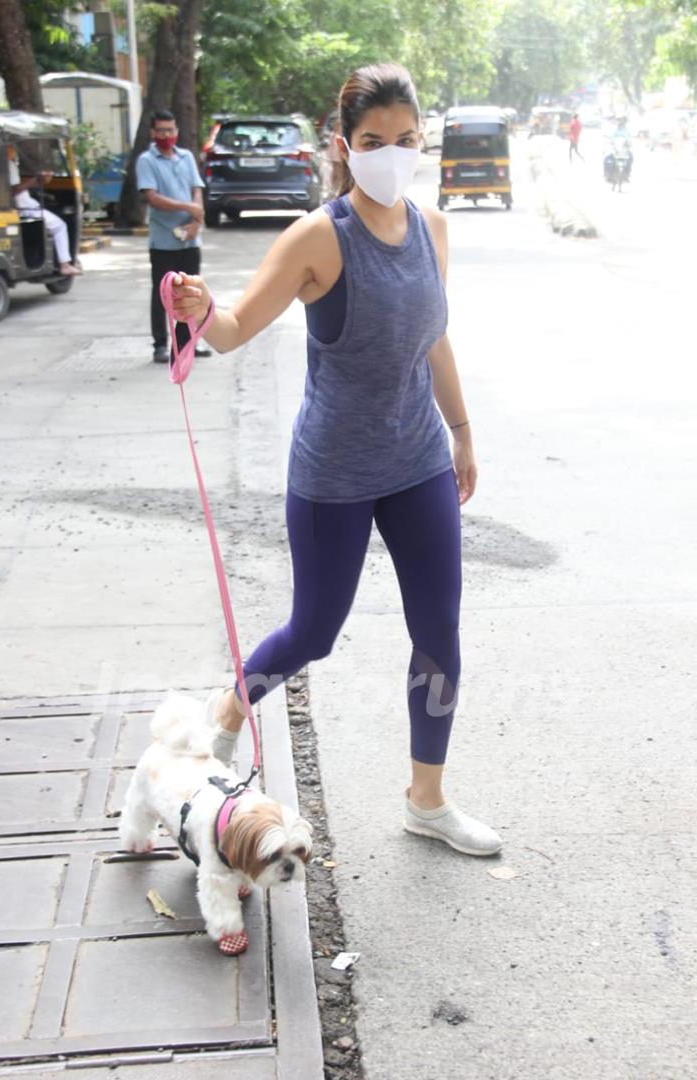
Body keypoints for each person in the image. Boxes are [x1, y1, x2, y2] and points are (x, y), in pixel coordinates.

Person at [169, 63, 503, 858]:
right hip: (333, 475)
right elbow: (237, 325)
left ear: (422, 140)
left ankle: (427, 799)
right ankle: (226, 714)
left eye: (405, 140)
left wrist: (460, 429)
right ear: (343, 146)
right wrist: (200, 307)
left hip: (418, 457)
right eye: (371, 141)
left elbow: (434, 337)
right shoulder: (320, 236)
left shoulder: (433, 227)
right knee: (314, 633)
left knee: (439, 633)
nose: (390, 154)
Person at [136, 109, 210, 364]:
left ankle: (186, 344)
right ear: (153, 133)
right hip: (163, 242)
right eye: (161, 131)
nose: (167, 135)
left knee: (190, 294)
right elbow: (152, 198)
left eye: (170, 130)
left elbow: (196, 189)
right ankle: (160, 345)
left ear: (176, 131)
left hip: (190, 239)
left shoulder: (186, 157)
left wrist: (196, 221)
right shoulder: (147, 160)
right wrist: (187, 208)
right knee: (163, 293)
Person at [7, 147, 81, 276]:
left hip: (23, 205)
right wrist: (33, 181)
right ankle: (65, 265)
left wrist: (38, 181)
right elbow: (12, 191)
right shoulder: (8, 165)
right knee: (60, 226)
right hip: (23, 208)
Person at [604, 116, 633, 181]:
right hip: (615, 149)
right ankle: (607, 174)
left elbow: (630, 139)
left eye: (622, 121)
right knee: (606, 158)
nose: (621, 123)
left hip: (624, 149)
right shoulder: (614, 130)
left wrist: (629, 143)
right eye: (619, 121)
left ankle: (627, 174)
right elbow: (611, 138)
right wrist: (610, 142)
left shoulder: (627, 131)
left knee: (631, 158)